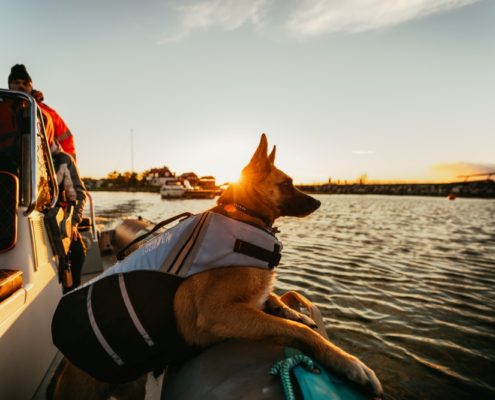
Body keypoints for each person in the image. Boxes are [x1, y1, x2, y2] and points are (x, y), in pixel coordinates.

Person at [8, 64, 77, 160]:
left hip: (44, 164)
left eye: (25, 83)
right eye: (16, 82)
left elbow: (66, 139)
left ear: (31, 87)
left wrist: (68, 161)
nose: (21, 86)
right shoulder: (3, 107)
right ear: (10, 86)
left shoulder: (48, 112)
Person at [51, 140, 87, 291]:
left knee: (78, 252)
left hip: (58, 218)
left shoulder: (63, 160)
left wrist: (72, 223)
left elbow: (79, 194)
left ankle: (70, 292)